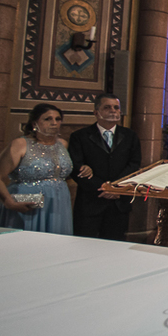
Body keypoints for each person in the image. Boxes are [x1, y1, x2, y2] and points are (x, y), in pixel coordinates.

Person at [67, 94, 141, 241]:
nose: (113, 111)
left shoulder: (130, 136)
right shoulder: (80, 136)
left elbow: (134, 165)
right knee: (84, 245)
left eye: (116, 108)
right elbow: (76, 168)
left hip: (119, 203)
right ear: (96, 112)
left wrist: (115, 188)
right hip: (91, 201)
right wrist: (102, 187)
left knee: (114, 246)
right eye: (107, 107)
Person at [0, 104, 74, 234]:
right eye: (47, 119)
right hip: (26, 204)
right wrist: (8, 202)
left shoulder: (62, 144)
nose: (54, 123)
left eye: (57, 119)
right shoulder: (21, 144)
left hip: (58, 203)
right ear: (35, 122)